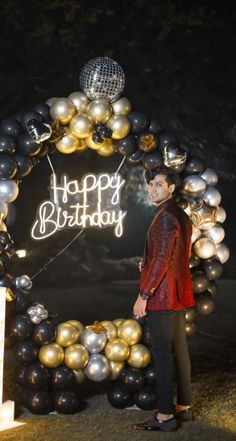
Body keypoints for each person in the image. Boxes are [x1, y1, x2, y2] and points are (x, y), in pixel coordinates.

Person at [132, 167, 195, 432]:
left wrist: (143, 295)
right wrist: (145, 263)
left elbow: (163, 259)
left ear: (171, 188)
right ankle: (184, 407)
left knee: (162, 354)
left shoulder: (166, 216)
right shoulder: (179, 214)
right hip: (177, 294)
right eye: (150, 184)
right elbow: (174, 255)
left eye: (159, 184)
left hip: (163, 296)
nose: (152, 188)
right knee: (180, 349)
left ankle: (165, 416)